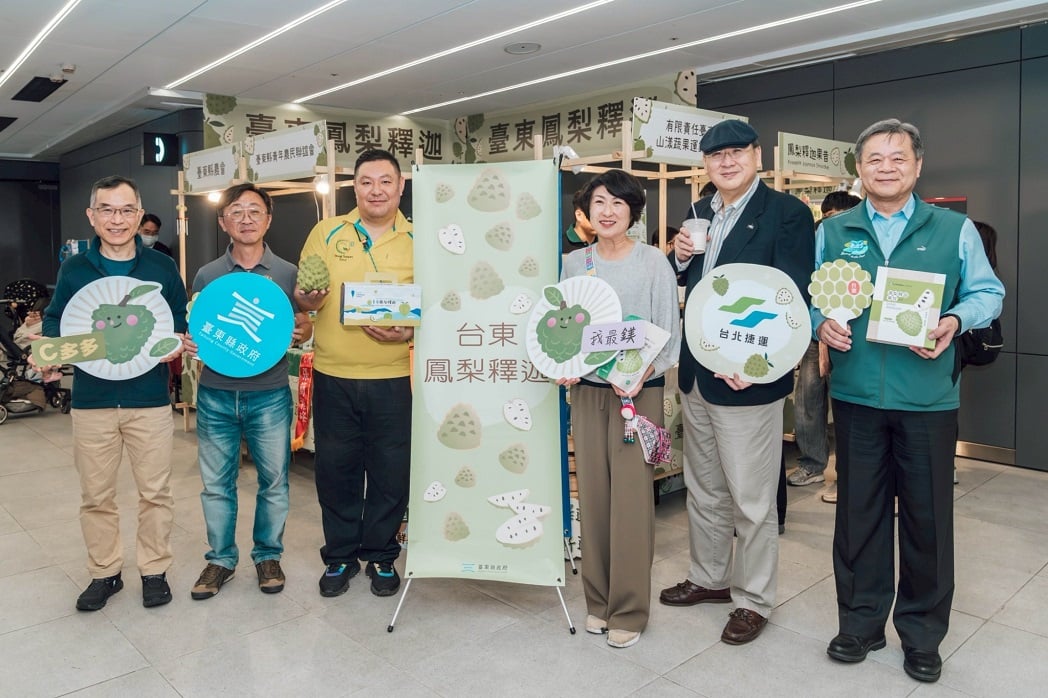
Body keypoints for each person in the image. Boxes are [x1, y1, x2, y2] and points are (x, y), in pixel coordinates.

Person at [816, 119, 1004, 683]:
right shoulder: (833, 230)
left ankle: (922, 635)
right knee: (858, 516)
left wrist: (953, 319)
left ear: (917, 167)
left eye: (898, 157)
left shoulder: (953, 228)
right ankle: (861, 623)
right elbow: (804, 295)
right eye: (874, 158)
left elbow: (988, 293)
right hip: (854, 396)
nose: (886, 166)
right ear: (859, 169)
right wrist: (819, 323)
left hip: (927, 398)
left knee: (927, 520)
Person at [659, 119, 815, 645]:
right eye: (715, 155)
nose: (725, 162)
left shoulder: (787, 213)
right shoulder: (700, 211)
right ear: (704, 164)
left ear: (756, 156)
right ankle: (709, 578)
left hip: (749, 377)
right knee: (704, 488)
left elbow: (788, 295)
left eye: (736, 152)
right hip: (699, 372)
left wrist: (758, 364)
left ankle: (754, 599)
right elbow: (689, 282)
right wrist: (679, 256)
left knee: (752, 498)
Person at [41, 175, 187, 611]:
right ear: (92, 215)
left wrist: (176, 343)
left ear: (140, 216)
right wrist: (51, 350)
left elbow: (178, 321)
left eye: (126, 210)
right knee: (97, 495)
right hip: (92, 401)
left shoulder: (161, 268)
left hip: (149, 401)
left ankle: (154, 570)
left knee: (155, 492)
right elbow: (55, 321)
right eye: (107, 209)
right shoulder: (75, 269)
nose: (117, 219)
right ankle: (105, 573)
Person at [558, 169, 681, 649]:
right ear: (585, 211)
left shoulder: (654, 263)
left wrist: (634, 374)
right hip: (587, 394)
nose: (607, 211)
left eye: (617, 203)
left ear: (633, 210)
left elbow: (668, 338)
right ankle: (597, 601)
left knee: (631, 499)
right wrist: (563, 364)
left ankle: (629, 609)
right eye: (598, 202)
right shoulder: (573, 264)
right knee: (593, 494)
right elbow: (562, 330)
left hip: (637, 395)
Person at [183, 184, 312, 601]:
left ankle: (267, 555)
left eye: (254, 211)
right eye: (235, 212)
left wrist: (305, 327)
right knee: (216, 485)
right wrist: (191, 341)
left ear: (268, 219)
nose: (245, 219)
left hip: (270, 394)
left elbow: (305, 325)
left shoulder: (288, 273)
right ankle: (220, 559)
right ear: (223, 222)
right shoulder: (207, 275)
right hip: (216, 393)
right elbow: (200, 326)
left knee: (274, 482)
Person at [295, 149, 413, 598]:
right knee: (336, 470)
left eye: (385, 181)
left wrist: (406, 330)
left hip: (394, 376)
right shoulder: (327, 233)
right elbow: (306, 300)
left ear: (401, 186)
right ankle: (341, 555)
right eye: (366, 181)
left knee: (390, 470)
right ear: (355, 187)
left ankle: (382, 555)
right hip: (334, 372)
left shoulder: (419, 240)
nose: (376, 190)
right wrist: (307, 299)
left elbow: (436, 306)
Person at [789, 191, 862, 498]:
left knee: (850, 405)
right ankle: (813, 463)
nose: (832, 223)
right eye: (828, 216)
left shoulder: (860, 241)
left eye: (839, 216)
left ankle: (849, 473)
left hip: (853, 331)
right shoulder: (818, 237)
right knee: (808, 399)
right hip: (814, 329)